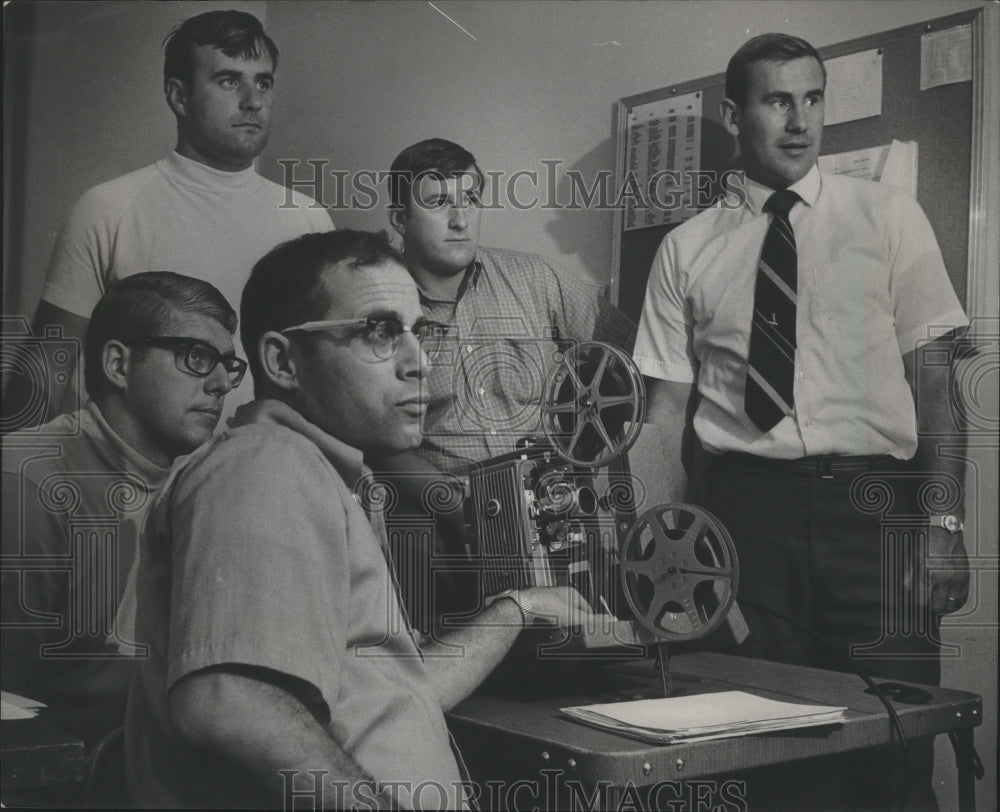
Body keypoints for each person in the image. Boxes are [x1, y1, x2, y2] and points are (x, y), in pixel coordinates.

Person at [125, 230, 590, 809]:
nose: (419, 363)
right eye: (379, 330)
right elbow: (229, 701)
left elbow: (398, 691)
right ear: (282, 361)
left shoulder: (329, 478)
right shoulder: (266, 463)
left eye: (419, 332)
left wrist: (518, 609)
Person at [633, 33, 970, 810]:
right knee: (767, 747)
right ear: (732, 114)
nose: (800, 121)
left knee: (894, 743)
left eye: (812, 98)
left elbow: (934, 387)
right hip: (750, 520)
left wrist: (944, 524)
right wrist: (656, 557)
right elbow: (664, 417)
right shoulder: (686, 250)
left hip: (876, 510)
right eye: (777, 100)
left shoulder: (887, 216)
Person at [6, 9, 331, 429]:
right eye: (229, 80)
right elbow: (43, 379)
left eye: (263, 82)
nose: (253, 101)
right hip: (135, 483)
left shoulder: (309, 219)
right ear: (179, 97)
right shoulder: (108, 207)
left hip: (263, 475)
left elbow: (328, 376)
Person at [376, 138, 636, 632]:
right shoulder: (379, 304)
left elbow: (630, 360)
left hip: (552, 519)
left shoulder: (533, 279)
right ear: (399, 217)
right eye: (437, 202)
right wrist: (452, 504)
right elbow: (367, 431)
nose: (460, 219)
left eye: (471, 199)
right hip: (443, 527)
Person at [1, 272, 243, 747]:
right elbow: (7, 706)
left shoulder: (208, 481)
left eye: (229, 365)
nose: (221, 384)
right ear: (118, 364)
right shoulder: (24, 480)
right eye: (197, 358)